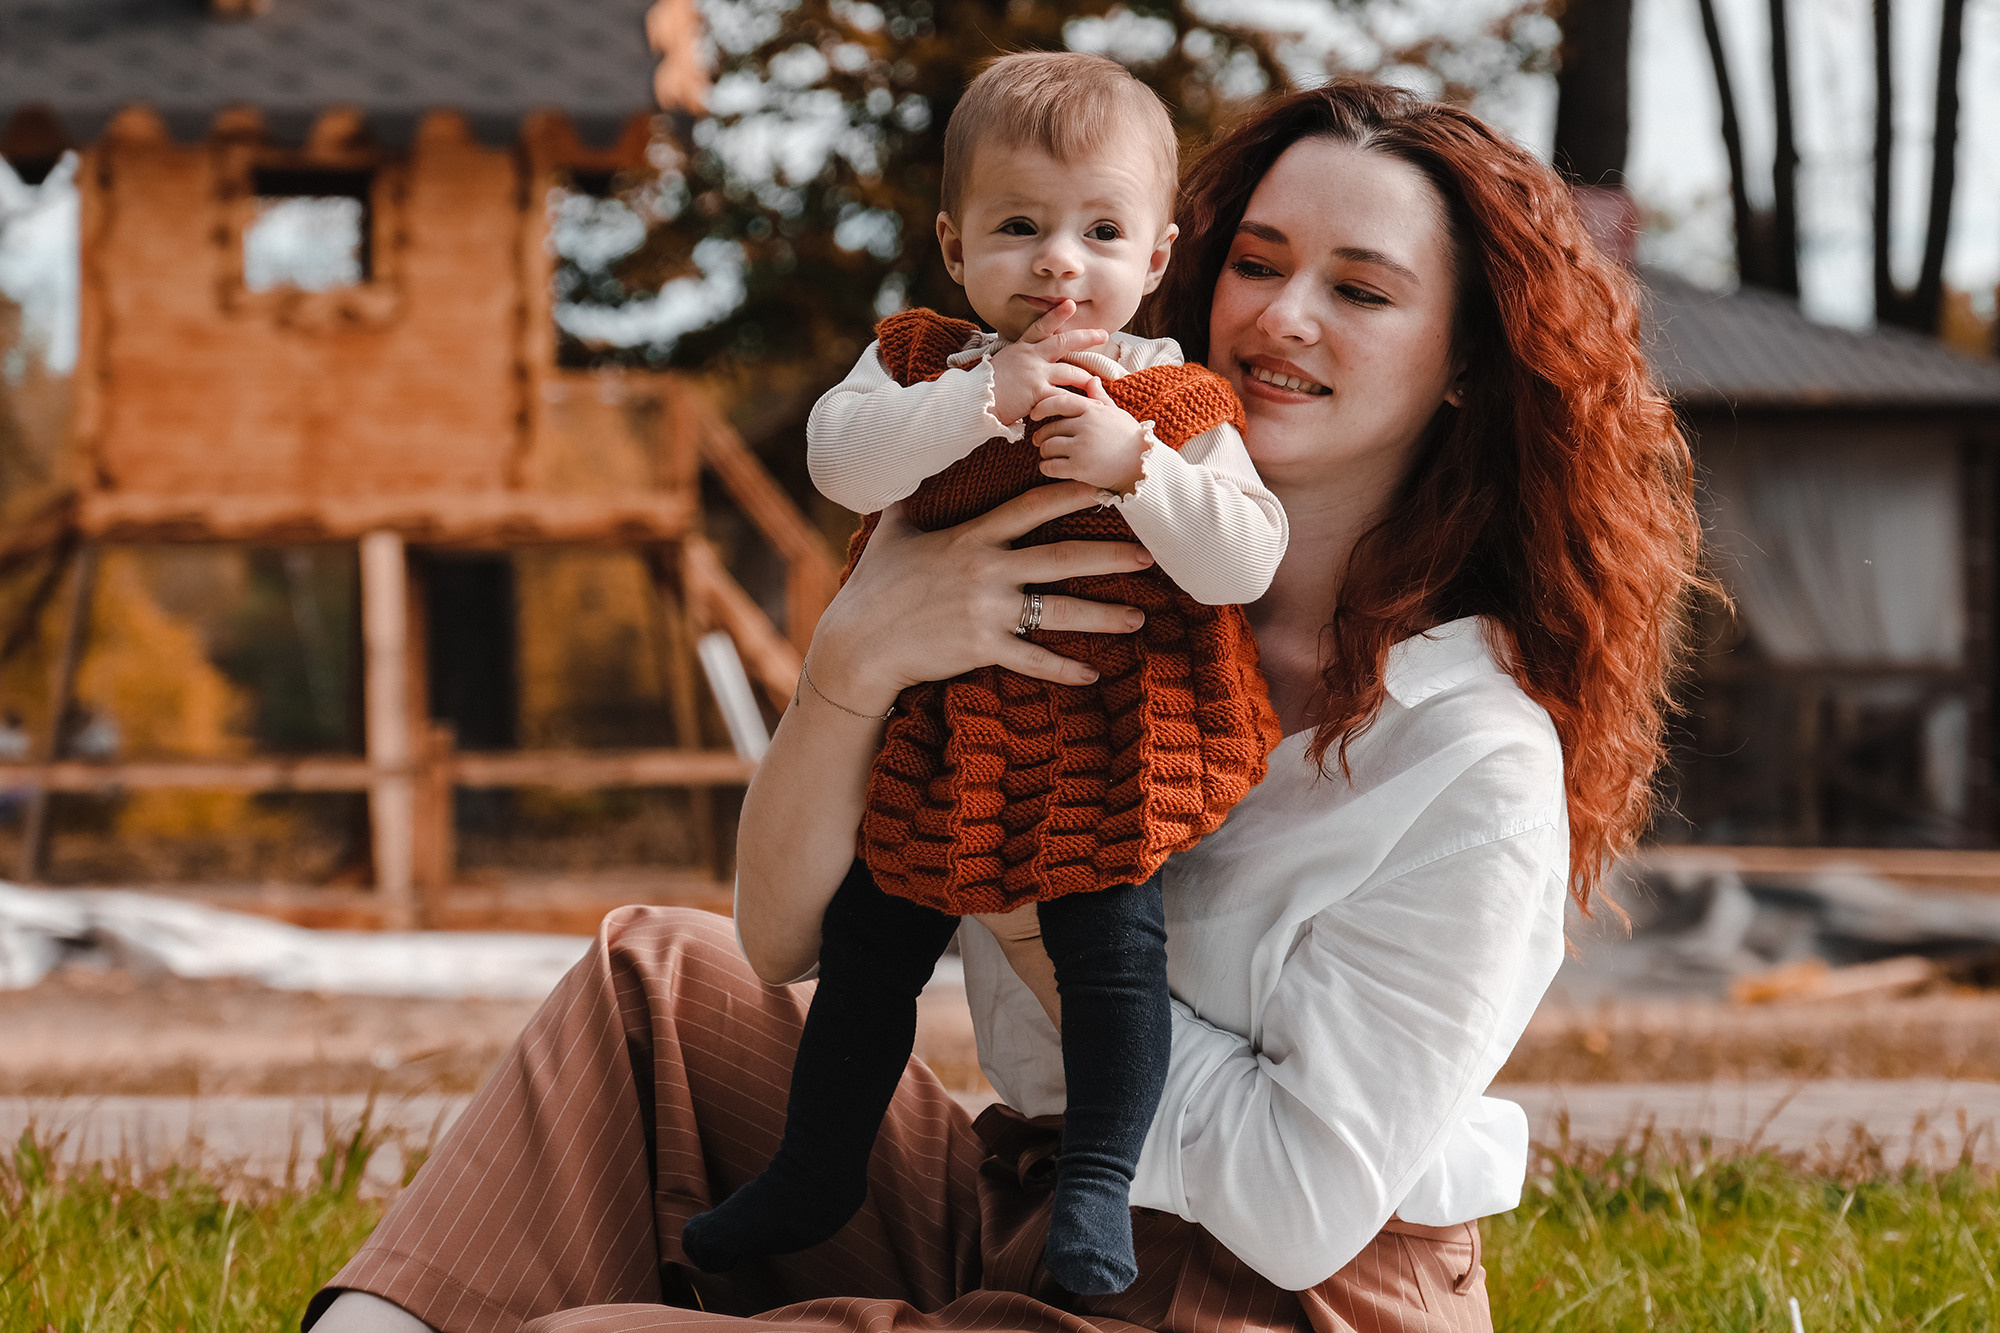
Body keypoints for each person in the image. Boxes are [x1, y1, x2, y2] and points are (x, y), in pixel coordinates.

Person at [306, 78, 1710, 1333]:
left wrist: (1041, 883)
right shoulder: (1055, 552)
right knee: (653, 983)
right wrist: (857, 661)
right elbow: (778, 935)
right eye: (1262, 262)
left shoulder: (1470, 757)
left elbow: (1294, 1198)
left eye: (1363, 289)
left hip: (1272, 1297)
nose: (1283, 315)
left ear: (1462, 361)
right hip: (1027, 1201)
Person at [681, 52, 1287, 1296]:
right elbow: (842, 466)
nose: (1059, 260)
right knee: (864, 958)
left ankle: (1095, 1189)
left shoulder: (1169, 399)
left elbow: (1242, 560)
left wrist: (1135, 468)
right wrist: (978, 404)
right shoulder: (919, 367)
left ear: (1157, 256)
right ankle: (816, 1166)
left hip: (1102, 748)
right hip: (939, 747)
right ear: (954, 247)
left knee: (1111, 964)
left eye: (1099, 230)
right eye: (1020, 227)